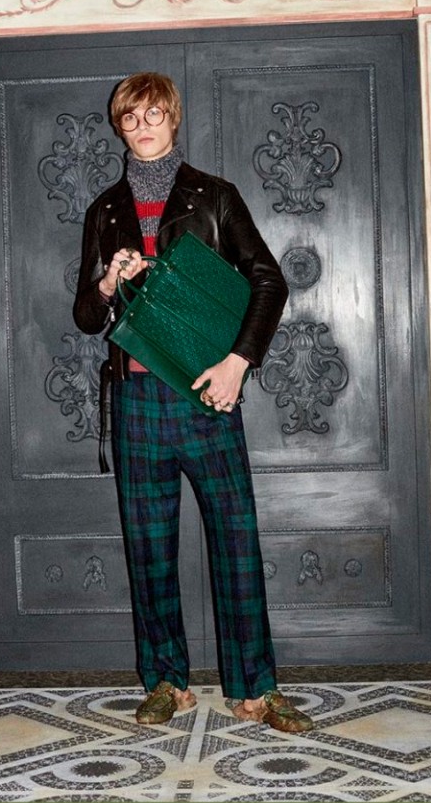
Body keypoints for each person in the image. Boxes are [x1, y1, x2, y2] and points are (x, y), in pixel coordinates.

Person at [74, 72, 314, 733]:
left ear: (173, 119)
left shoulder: (215, 196)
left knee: (236, 541)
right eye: (130, 118)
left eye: (153, 114)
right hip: (136, 399)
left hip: (207, 392)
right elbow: (86, 316)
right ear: (120, 127)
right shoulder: (105, 211)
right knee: (148, 547)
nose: (142, 127)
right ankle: (166, 682)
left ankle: (255, 690)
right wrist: (107, 281)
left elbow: (268, 281)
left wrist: (239, 362)